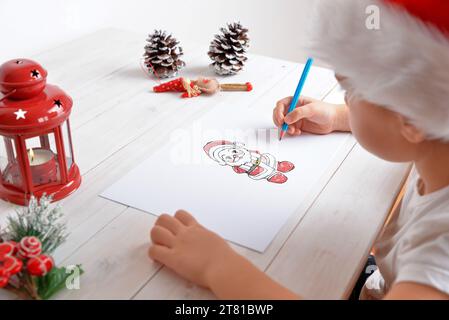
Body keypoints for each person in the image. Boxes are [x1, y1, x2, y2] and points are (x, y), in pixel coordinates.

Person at [148, 0, 449, 299]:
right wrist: (338, 117)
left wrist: (218, 267)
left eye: (349, 93)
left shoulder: (440, 252)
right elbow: (400, 130)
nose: (345, 101)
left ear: (412, 115)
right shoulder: (436, 146)